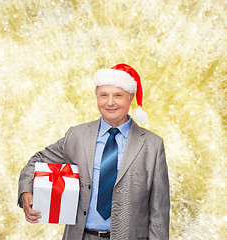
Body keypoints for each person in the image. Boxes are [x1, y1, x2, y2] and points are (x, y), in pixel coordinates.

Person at [18, 63, 170, 240]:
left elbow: (159, 212)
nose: (110, 102)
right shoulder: (77, 135)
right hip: (81, 236)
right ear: (97, 97)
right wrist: (26, 191)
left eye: (118, 96)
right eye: (103, 95)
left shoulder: (152, 145)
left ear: (130, 98)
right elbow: (38, 160)